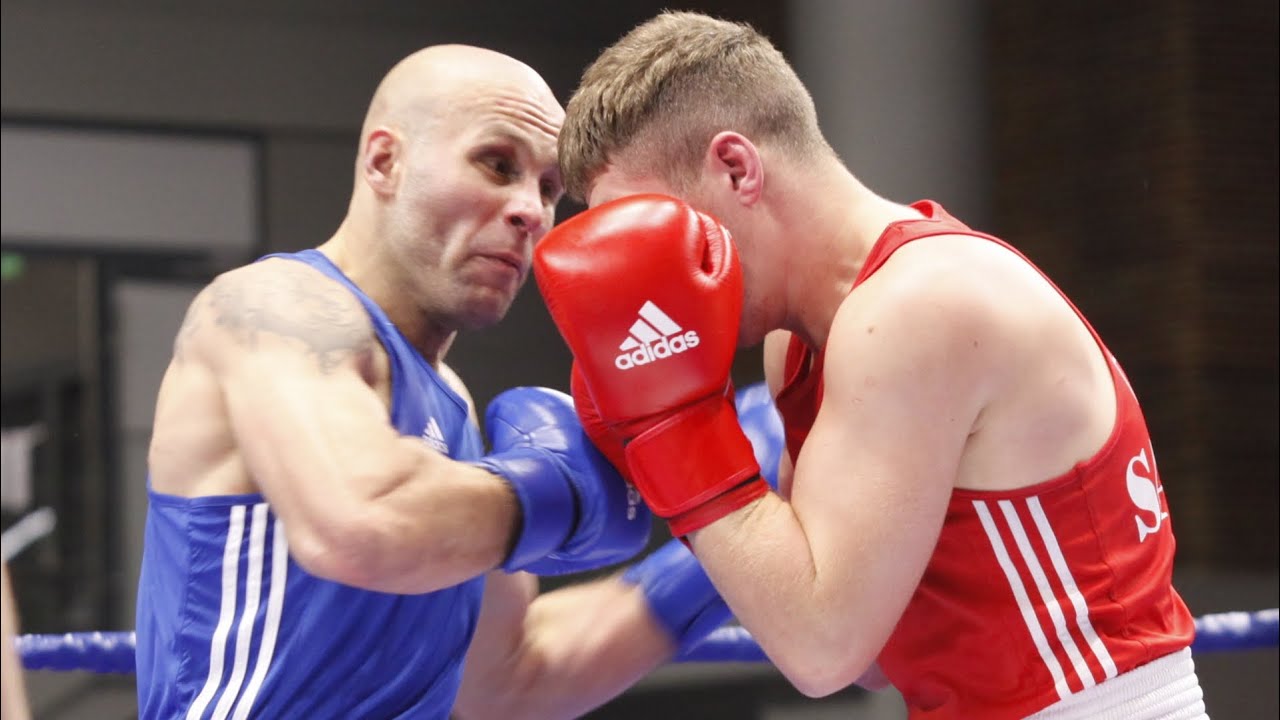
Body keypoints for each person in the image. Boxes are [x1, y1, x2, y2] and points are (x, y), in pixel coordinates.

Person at [534, 11, 1206, 720]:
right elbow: (878, 654)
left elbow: (824, 651)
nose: (643, 283)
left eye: (649, 230)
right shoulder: (799, 344)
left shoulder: (921, 305)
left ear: (737, 169)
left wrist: (671, 427)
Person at [135, 44, 755, 720]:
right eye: (497, 164)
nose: (530, 211)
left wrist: (734, 521)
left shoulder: (453, 408)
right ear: (384, 162)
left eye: (549, 190)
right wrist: (556, 495)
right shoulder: (276, 309)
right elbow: (363, 523)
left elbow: (511, 682)